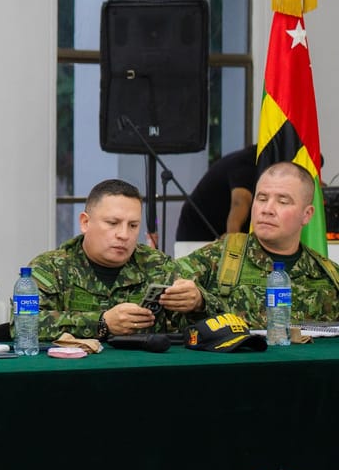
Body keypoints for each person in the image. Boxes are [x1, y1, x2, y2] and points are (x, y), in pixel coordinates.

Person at [28, 178, 207, 341]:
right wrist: (100, 323)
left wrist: (198, 304)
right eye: (112, 223)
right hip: (72, 371)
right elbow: (25, 325)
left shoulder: (158, 266)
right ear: (85, 223)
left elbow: (203, 329)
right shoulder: (49, 268)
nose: (124, 235)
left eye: (133, 225)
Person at [177, 161, 339, 327]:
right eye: (261, 198)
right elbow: (163, 281)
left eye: (282, 202)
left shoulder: (329, 277)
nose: (267, 209)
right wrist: (196, 299)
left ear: (307, 215)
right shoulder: (218, 258)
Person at [175, 145, 258, 242]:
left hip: (223, 228)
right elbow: (240, 202)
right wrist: (232, 242)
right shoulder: (247, 161)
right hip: (198, 230)